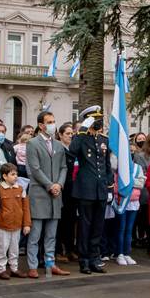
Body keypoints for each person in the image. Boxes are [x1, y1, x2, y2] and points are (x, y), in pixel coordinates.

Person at [25, 111, 70, 278]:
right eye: (49, 122)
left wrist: (59, 184)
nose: (52, 124)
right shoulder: (32, 144)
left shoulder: (58, 145)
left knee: (51, 235)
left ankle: (50, 264)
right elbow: (35, 169)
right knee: (35, 235)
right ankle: (32, 266)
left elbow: (64, 167)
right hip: (39, 194)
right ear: (41, 125)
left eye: (53, 121)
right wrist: (50, 185)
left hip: (55, 196)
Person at [69, 106, 112, 274]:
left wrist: (109, 182)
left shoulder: (103, 139)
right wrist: (82, 130)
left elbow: (106, 164)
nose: (98, 122)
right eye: (95, 119)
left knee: (98, 227)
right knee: (85, 226)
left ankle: (95, 258)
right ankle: (84, 259)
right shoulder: (81, 138)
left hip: (100, 190)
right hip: (85, 190)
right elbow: (72, 151)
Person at [0, 163, 30, 279]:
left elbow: (25, 207)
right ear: (4, 176)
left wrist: (27, 224)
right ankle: (1, 269)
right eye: (13, 174)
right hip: (4, 225)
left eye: (16, 174)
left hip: (17, 224)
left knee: (15, 248)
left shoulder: (20, 189)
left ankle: (14, 268)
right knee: (2, 248)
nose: (16, 176)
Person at [115, 156, 145, 265]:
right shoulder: (118, 168)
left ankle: (127, 253)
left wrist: (128, 182)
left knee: (129, 229)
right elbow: (117, 184)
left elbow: (141, 183)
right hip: (122, 201)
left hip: (134, 201)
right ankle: (119, 253)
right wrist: (131, 182)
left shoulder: (138, 168)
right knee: (121, 228)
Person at [55, 122, 79, 263]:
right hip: (62, 188)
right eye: (67, 133)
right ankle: (58, 250)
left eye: (72, 133)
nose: (70, 136)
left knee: (71, 221)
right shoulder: (59, 149)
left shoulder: (74, 149)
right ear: (61, 135)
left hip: (73, 190)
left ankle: (70, 249)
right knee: (60, 222)